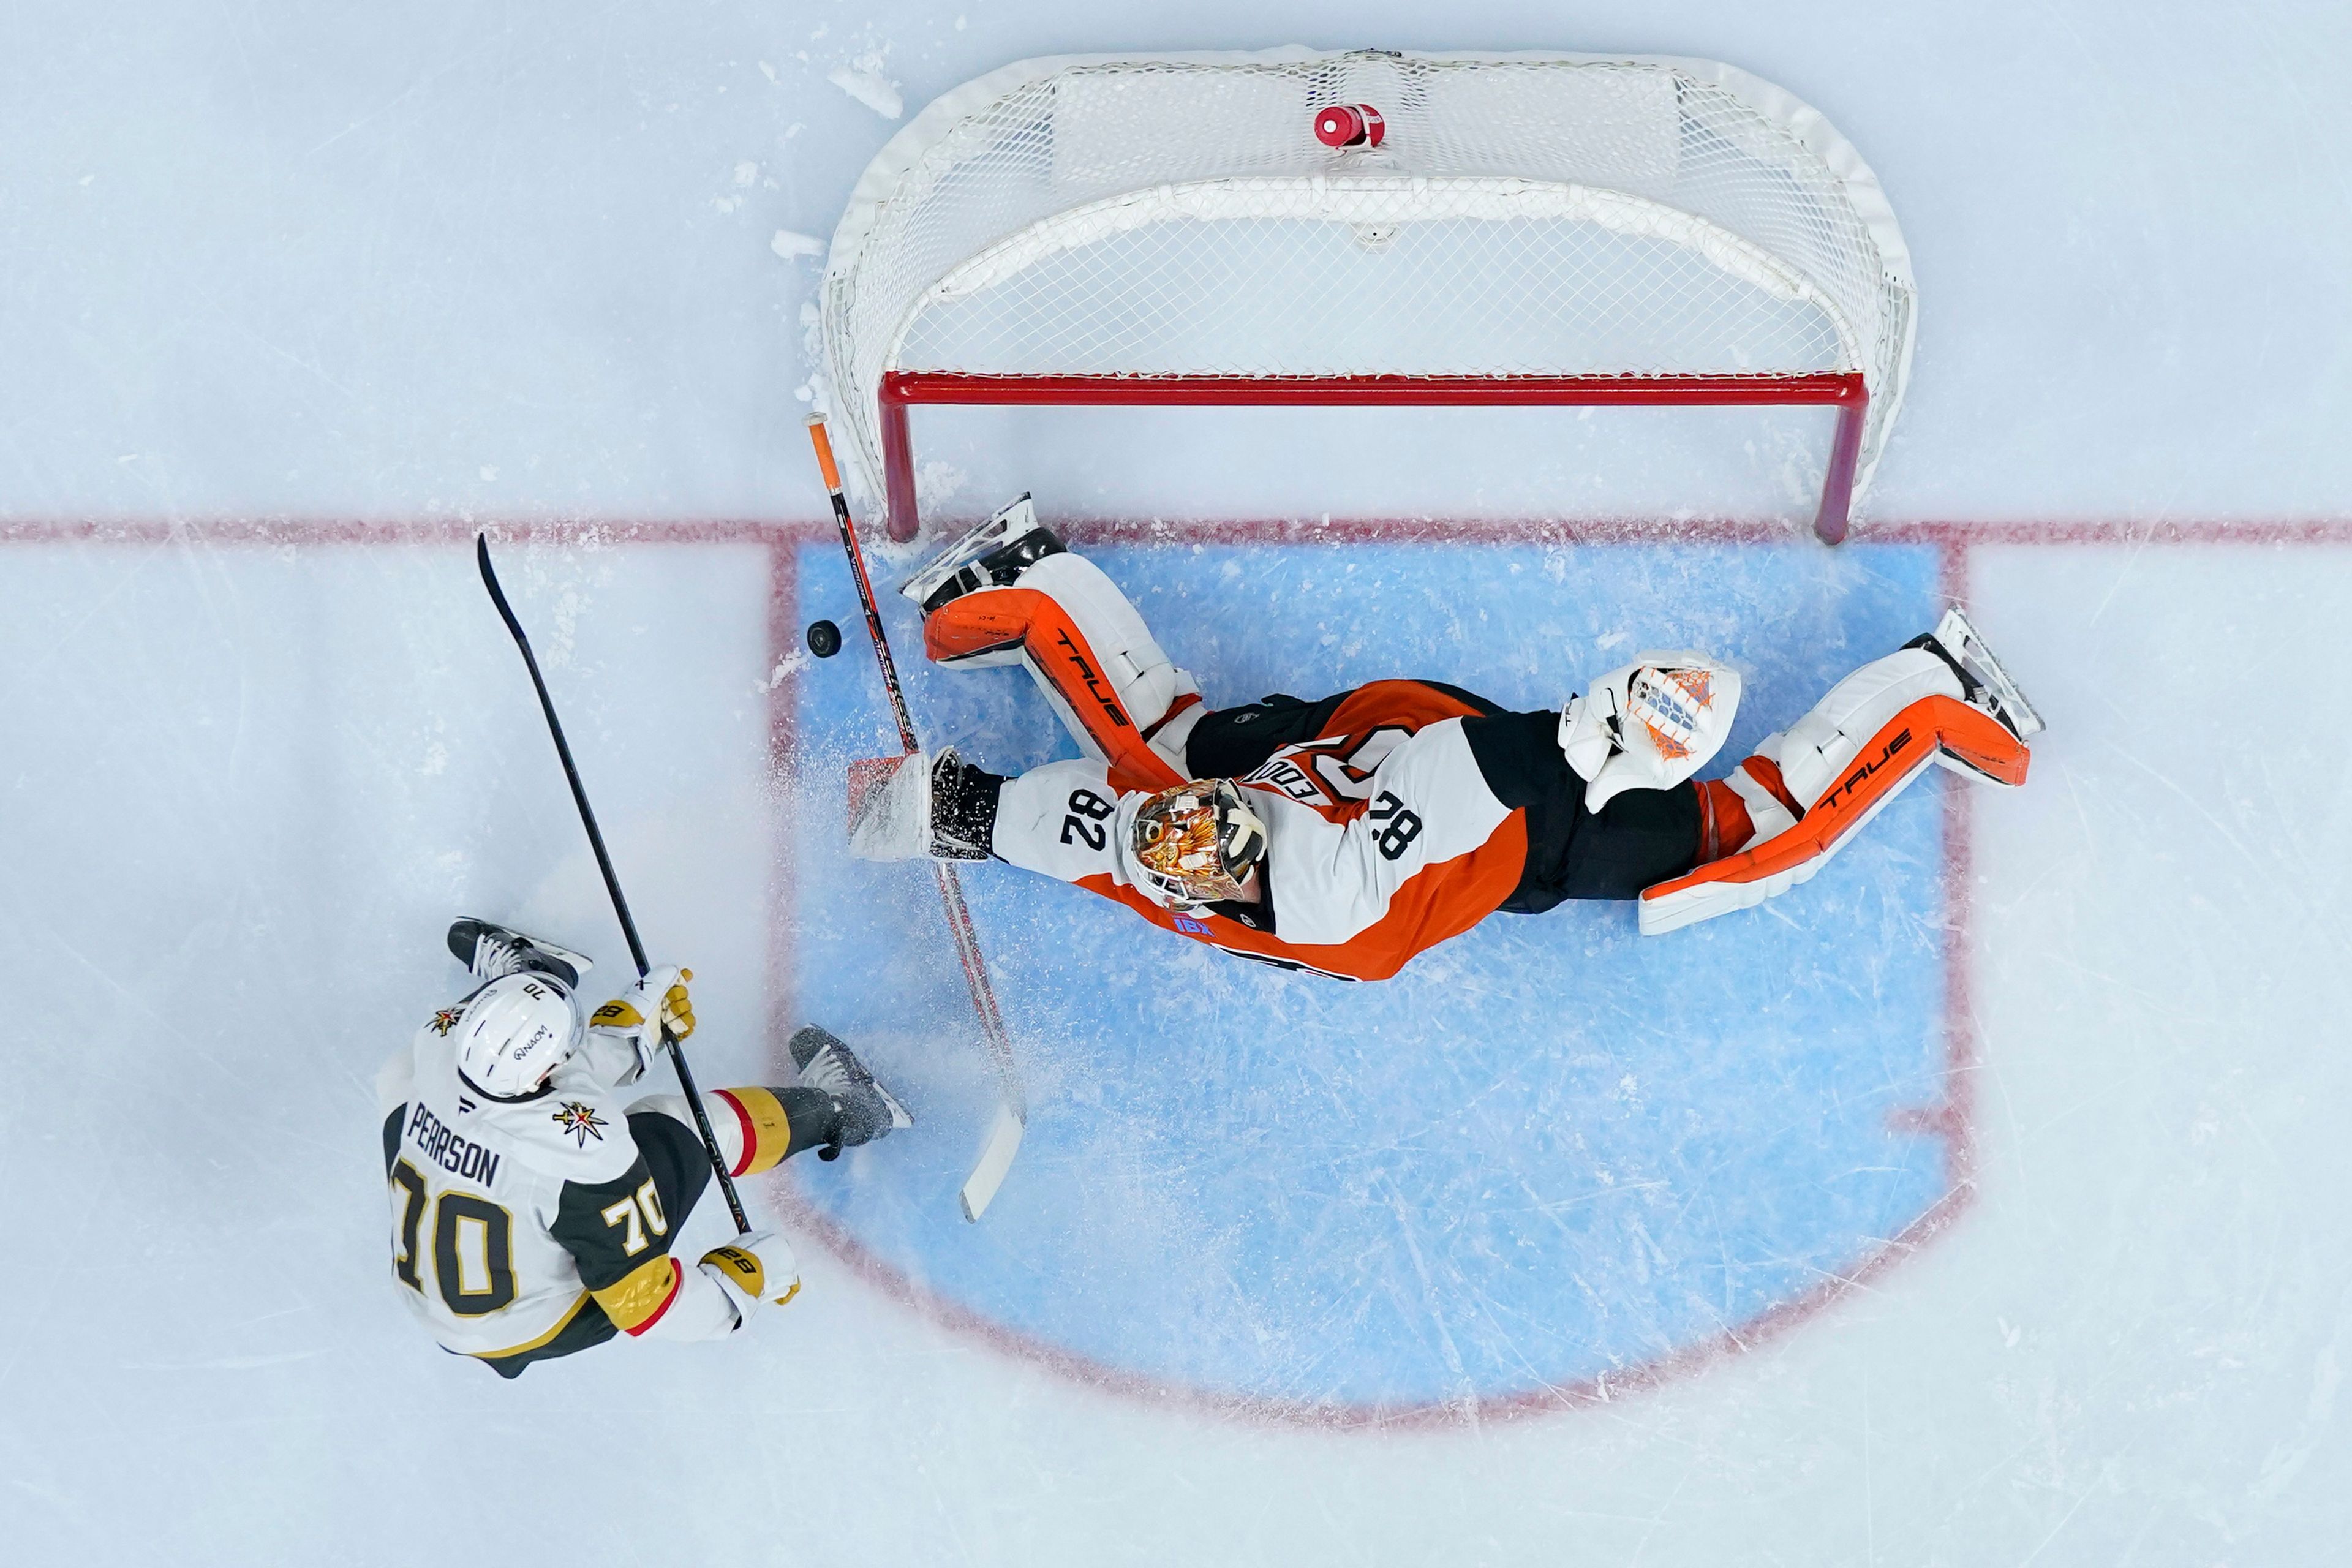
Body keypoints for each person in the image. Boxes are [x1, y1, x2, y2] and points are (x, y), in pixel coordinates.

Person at [849, 499, 2043, 981]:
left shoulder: (1336, 884)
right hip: (1373, 758)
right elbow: (1067, 826)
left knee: (1741, 841)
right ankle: (1031, 577)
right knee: (1164, 749)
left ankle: (1932, 691)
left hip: (1466, 784)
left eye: (1214, 823)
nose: (1201, 829)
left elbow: (1476, 775)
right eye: (1204, 839)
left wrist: (1589, 743)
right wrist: (961, 810)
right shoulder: (1181, 847)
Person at [377, 918, 909, 1377]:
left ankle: (535, 975)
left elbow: (520, 1102)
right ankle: (853, 1107)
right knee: (681, 1126)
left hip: (439, 1299)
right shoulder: (587, 1163)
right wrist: (737, 1288)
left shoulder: (437, 1044)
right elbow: (642, 1303)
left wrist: (628, 1036)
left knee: (401, 1076)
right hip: (536, 1320)